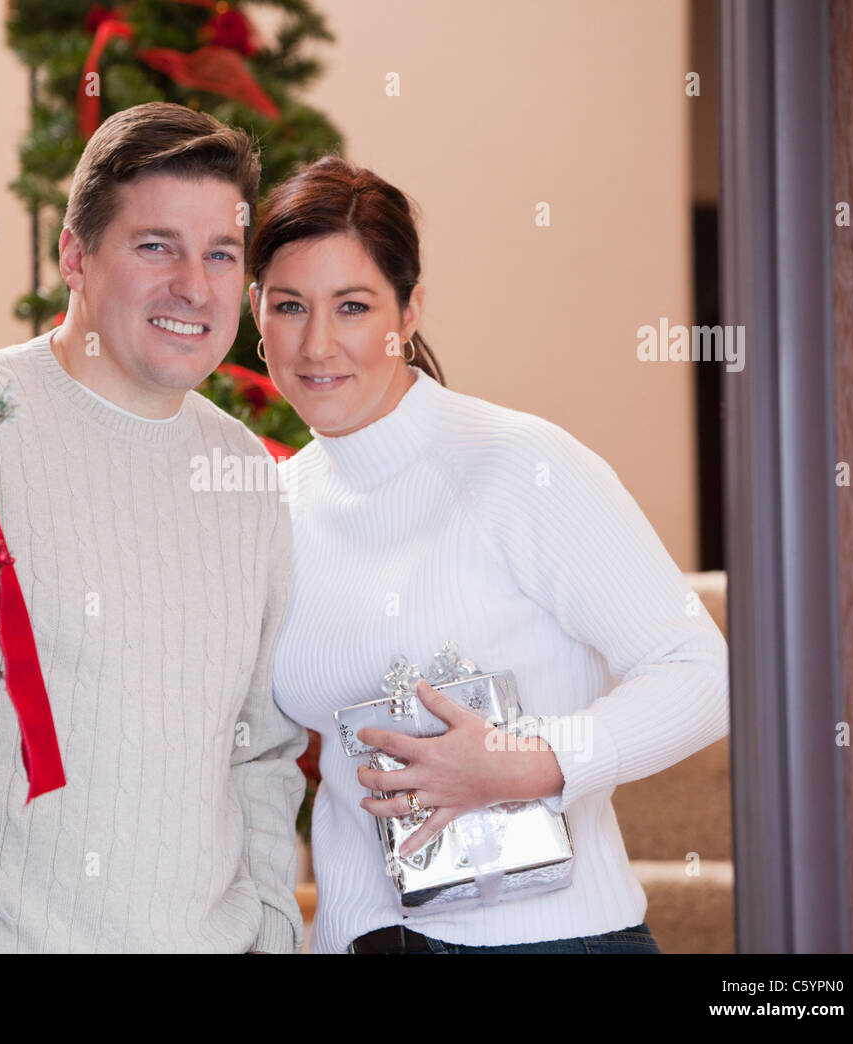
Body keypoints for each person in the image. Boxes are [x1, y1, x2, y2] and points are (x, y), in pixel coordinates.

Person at [251, 156, 730, 955]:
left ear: (409, 313)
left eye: (355, 306)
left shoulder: (521, 464)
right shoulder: (276, 509)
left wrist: (528, 763)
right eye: (290, 305)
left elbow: (703, 675)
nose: (318, 342)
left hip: (552, 942)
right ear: (256, 313)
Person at [0, 102, 308, 953]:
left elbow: (262, 753)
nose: (195, 286)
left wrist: (272, 925)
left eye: (221, 254)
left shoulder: (247, 477)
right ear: (75, 258)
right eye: (157, 246)